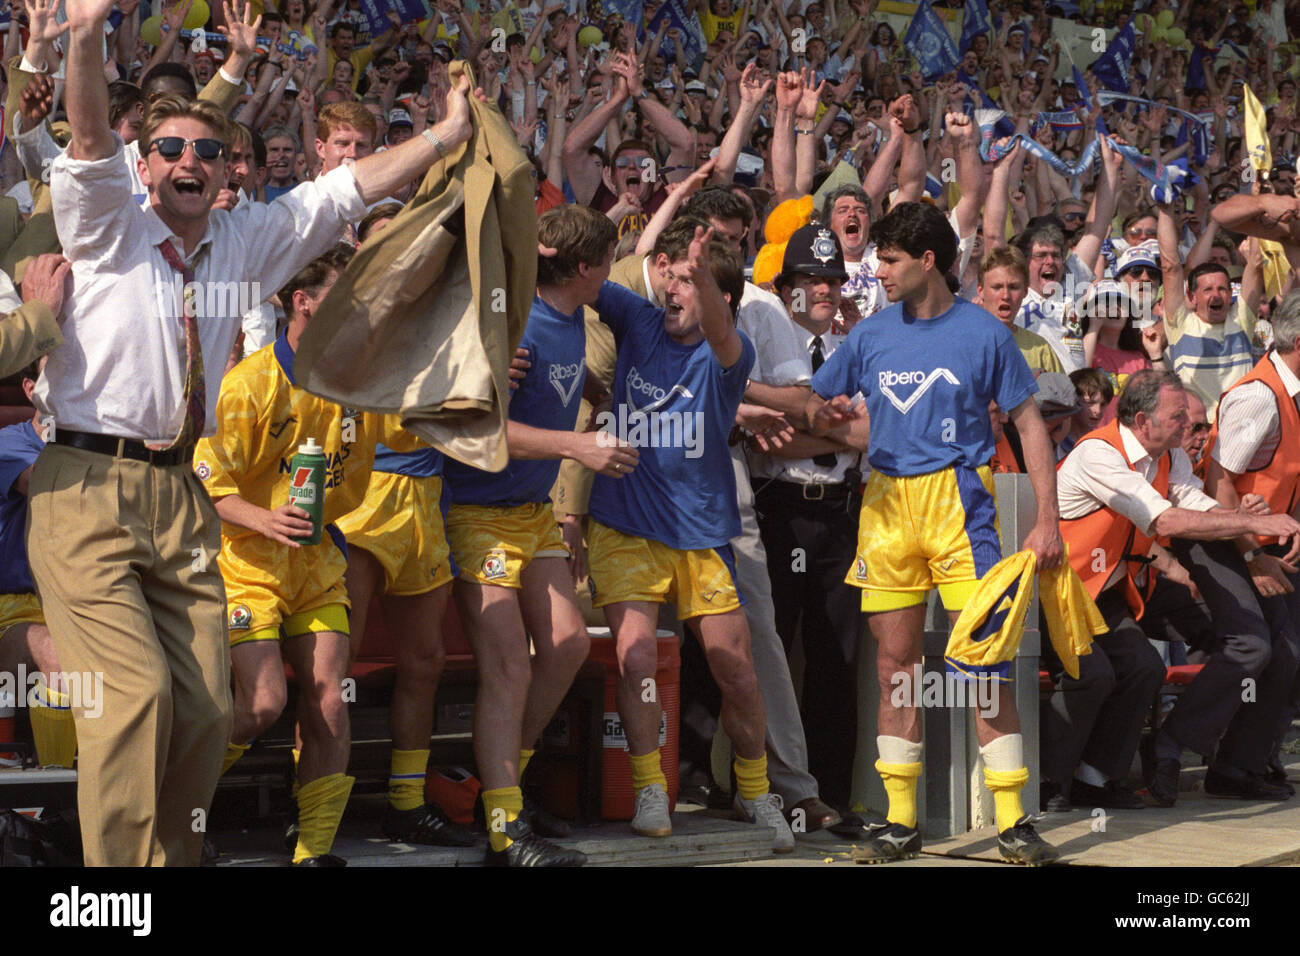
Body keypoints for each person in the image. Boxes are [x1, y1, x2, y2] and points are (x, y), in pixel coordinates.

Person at [28, 0, 479, 866]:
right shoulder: (104, 221)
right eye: (169, 149)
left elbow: (349, 188)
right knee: (132, 697)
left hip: (180, 495)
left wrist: (445, 137)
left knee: (203, 708)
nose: (189, 162)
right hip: (86, 486)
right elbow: (85, 138)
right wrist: (84, 32)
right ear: (142, 164)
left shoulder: (244, 240)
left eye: (206, 150)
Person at [807, 201, 1064, 866]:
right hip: (886, 505)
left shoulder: (984, 333)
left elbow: (1029, 424)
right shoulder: (867, 334)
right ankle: (899, 821)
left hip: (961, 502)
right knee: (896, 667)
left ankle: (1012, 820)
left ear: (928, 261)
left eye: (890, 259)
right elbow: (820, 403)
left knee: (982, 664)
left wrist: (1047, 518)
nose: (878, 270)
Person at [586, 224, 796, 852]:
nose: (676, 289)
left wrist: (704, 273)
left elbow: (726, 337)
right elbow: (587, 274)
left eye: (692, 281)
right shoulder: (638, 319)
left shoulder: (729, 356)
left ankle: (756, 792)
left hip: (702, 533)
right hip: (625, 524)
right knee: (638, 659)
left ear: (719, 299)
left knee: (738, 673)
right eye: (672, 276)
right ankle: (652, 787)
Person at [441, 204, 629, 868]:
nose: (614, 274)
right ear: (584, 268)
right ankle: (503, 830)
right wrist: (578, 443)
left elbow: (561, 376)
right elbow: (483, 431)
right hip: (474, 512)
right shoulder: (513, 326)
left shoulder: (578, 313)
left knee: (570, 643)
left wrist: (594, 387)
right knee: (508, 664)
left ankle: (498, 791)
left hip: (530, 512)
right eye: (608, 262)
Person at [196, 246, 383, 866]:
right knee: (261, 705)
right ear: (303, 303)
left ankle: (313, 850)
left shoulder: (353, 387)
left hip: (315, 564)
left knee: (330, 699)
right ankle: (177, 814)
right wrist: (267, 519)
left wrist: (312, 521)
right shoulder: (249, 385)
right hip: (246, 565)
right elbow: (208, 483)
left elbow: (353, 484)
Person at [1055, 370, 1300, 810]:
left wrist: (1240, 521)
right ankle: (1057, 783)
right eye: (1180, 417)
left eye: (1192, 419)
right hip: (1063, 596)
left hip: (1119, 591)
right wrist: (1251, 526)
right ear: (1143, 420)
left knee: (1258, 646)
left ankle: (1198, 764)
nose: (1191, 427)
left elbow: (1194, 502)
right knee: (1117, 671)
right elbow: (1163, 519)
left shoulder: (1168, 456)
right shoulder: (1098, 454)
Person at [751, 223, 868, 819]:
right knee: (771, 653)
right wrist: (833, 432)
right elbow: (763, 444)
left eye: (831, 279)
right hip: (780, 508)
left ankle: (832, 797)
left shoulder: (855, 348)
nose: (823, 288)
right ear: (786, 286)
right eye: (810, 279)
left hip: (843, 512)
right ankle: (769, 791)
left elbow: (874, 432)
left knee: (836, 660)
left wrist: (808, 429)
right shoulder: (767, 343)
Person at [1202, 293, 1300, 798]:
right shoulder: (1260, 396)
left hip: (1274, 547)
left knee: (1292, 656)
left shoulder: (1291, 391)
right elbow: (1219, 482)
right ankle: (1232, 768)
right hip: (1235, 547)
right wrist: (1250, 554)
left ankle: (1258, 759)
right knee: (1279, 654)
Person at [0, 358, 76, 769]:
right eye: (58, 374)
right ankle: (58, 800)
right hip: (10, 610)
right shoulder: (8, 446)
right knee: (56, 652)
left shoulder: (88, 452)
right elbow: (48, 486)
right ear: (29, 389)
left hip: (72, 602)